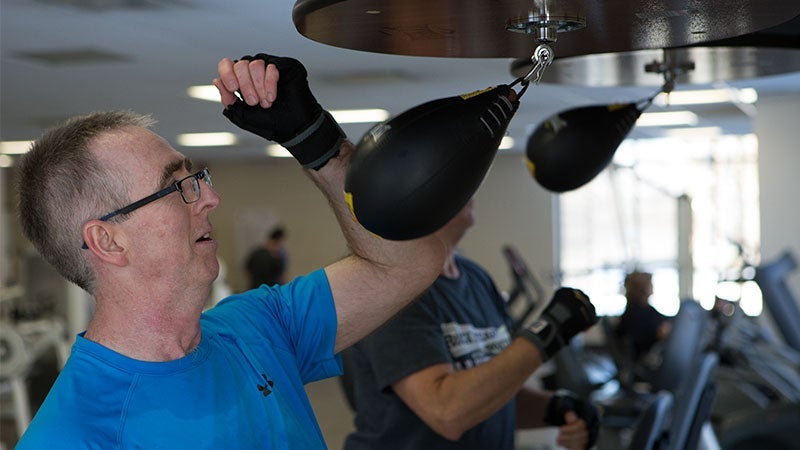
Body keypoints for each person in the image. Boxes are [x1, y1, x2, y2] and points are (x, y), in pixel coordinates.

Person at [13, 54, 449, 449]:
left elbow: (410, 261)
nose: (209, 198)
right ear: (108, 241)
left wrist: (318, 143)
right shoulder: (71, 435)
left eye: (197, 176)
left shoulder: (259, 325)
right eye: (176, 187)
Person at [343, 199, 601, 450]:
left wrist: (557, 409)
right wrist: (550, 331)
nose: (468, 189)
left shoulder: (476, 278)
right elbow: (448, 412)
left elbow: (490, 395)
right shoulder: (395, 288)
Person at [616, 270, 672, 361]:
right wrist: (658, 333)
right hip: (648, 359)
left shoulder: (645, 309)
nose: (653, 287)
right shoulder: (634, 312)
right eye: (650, 284)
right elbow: (639, 340)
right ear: (642, 288)